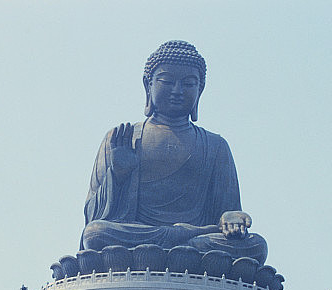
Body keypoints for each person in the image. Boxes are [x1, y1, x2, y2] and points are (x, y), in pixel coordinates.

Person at [81, 40, 267, 264]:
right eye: (167, 81)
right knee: (95, 233)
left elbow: (228, 214)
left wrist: (230, 217)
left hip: (197, 238)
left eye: (189, 83)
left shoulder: (215, 145)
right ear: (147, 85)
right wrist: (118, 175)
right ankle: (180, 248)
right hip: (140, 234)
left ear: (201, 89)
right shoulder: (123, 137)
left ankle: (179, 247)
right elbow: (93, 217)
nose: (177, 91)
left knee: (256, 245)